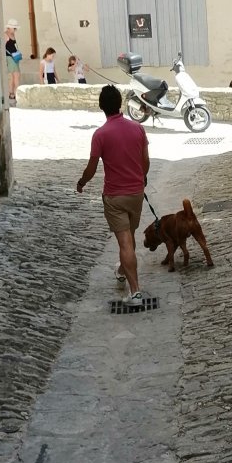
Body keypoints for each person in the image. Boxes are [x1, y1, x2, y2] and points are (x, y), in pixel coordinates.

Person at [77, 84, 150, 308]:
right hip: (136, 193)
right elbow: (145, 161)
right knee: (129, 236)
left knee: (125, 241)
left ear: (102, 107)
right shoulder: (138, 129)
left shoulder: (100, 135)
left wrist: (82, 182)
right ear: (120, 104)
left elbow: (91, 168)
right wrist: (142, 178)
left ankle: (135, 292)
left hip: (115, 196)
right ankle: (122, 270)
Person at [4, 21, 22, 101]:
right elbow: (3, 47)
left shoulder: (13, 35)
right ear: (9, 27)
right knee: (14, 76)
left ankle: (14, 93)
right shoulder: (5, 35)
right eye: (14, 28)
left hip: (15, 57)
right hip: (10, 58)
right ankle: (13, 93)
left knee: (15, 76)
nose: (15, 29)